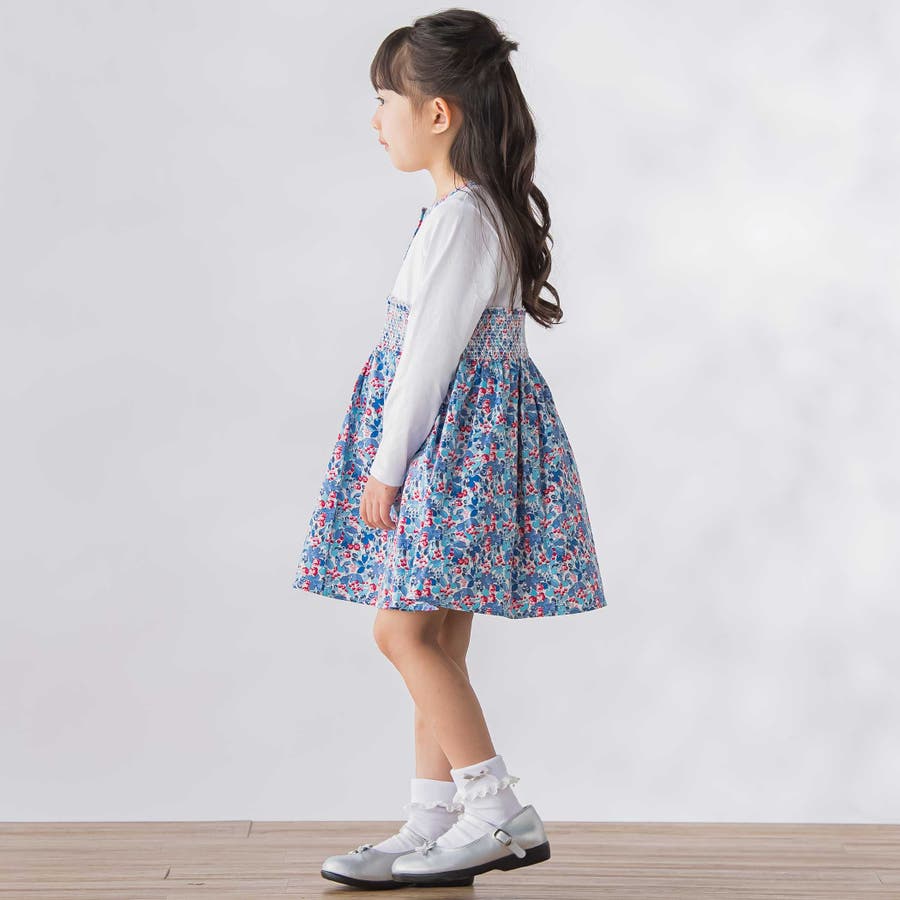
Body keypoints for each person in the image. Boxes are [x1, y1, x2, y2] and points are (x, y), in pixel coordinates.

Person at [292, 8, 607, 889]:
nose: (375, 118)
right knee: (434, 636)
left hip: (449, 452)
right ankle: (435, 821)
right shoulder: (466, 212)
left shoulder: (463, 220)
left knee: (401, 631)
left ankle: (495, 809)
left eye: (384, 99)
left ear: (437, 113)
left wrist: (387, 465)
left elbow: (428, 358)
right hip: (466, 447)